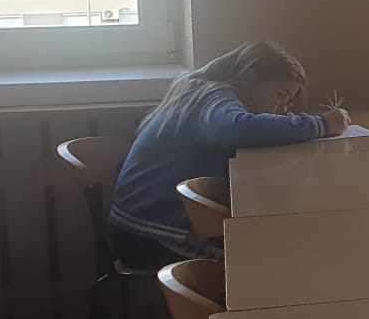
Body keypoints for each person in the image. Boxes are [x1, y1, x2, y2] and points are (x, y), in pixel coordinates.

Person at [110, 41, 348, 260]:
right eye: (280, 95)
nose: (283, 108)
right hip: (148, 233)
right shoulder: (213, 97)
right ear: (250, 78)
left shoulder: (200, 91)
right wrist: (321, 124)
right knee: (269, 258)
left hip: (140, 222)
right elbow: (240, 128)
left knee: (279, 244)